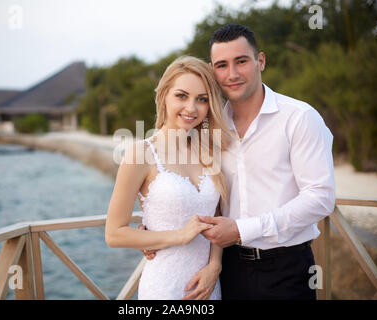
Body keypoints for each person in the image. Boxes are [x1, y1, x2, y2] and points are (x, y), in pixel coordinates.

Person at [142, 24, 336, 300]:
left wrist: (242, 230)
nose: (232, 74)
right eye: (222, 65)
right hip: (223, 269)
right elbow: (195, 191)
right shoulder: (206, 129)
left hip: (286, 268)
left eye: (241, 61)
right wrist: (155, 231)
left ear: (261, 61)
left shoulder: (300, 118)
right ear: (212, 71)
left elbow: (320, 198)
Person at [105, 56, 230, 300]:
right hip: (164, 287)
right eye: (181, 96)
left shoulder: (210, 151)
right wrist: (179, 236)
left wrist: (215, 265)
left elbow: (217, 217)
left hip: (208, 287)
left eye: (202, 99)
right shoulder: (141, 154)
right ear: (164, 96)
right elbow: (114, 233)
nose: (191, 108)